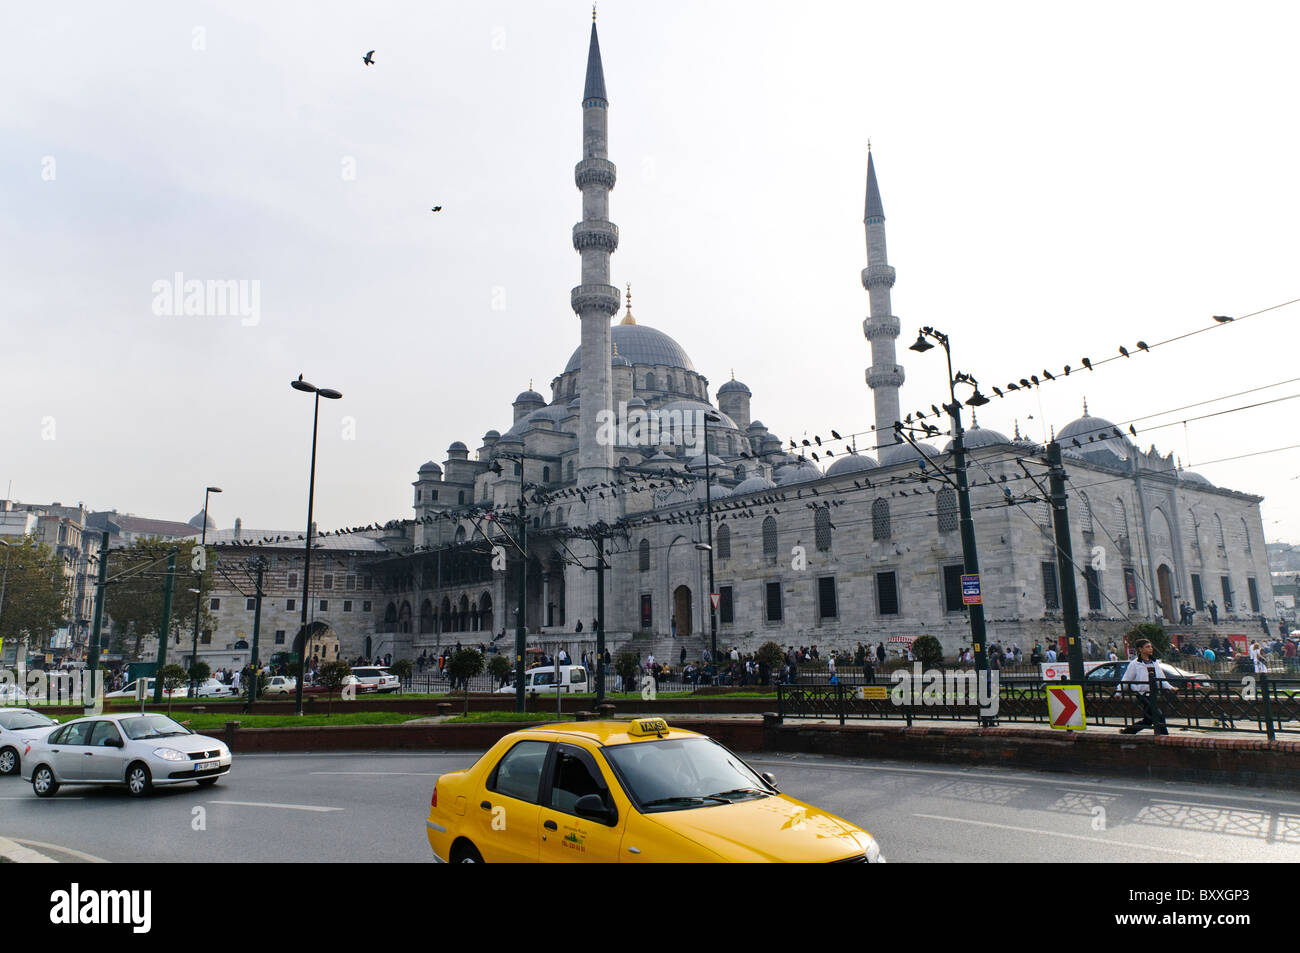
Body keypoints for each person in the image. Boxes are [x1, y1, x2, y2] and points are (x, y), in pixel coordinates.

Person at [1117, 638, 1175, 735]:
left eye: (1151, 647)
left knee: (1148, 720)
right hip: (1142, 694)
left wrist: (1170, 687)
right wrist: (1119, 692)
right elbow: (1126, 679)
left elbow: (1161, 678)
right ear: (1140, 649)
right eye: (1147, 647)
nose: (1150, 649)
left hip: (1153, 693)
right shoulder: (1135, 664)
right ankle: (1164, 736)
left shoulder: (1154, 662)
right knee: (1158, 715)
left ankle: (1128, 731)